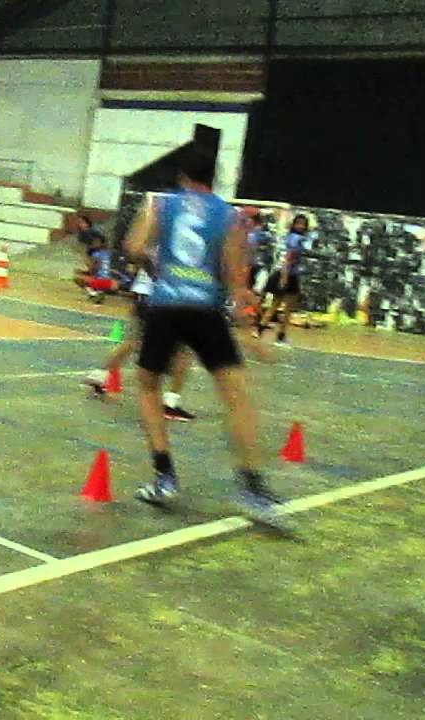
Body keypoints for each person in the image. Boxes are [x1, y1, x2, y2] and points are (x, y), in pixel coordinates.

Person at [122, 146, 288, 528]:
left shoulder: (161, 205)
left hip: (165, 306)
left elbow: (133, 247)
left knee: (148, 387)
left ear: (182, 175)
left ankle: (164, 477)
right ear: (215, 177)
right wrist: (249, 333)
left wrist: (156, 265)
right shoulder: (228, 216)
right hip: (205, 311)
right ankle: (252, 487)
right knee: (235, 395)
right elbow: (235, 278)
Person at [83, 261, 198, 422]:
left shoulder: (154, 240)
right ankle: (170, 404)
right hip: (163, 298)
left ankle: (99, 375)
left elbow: (141, 261)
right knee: (184, 351)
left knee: (134, 340)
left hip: (143, 296)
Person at [255, 214, 309, 346]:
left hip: (285, 274)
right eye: (298, 223)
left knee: (276, 304)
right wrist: (284, 278)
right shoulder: (297, 240)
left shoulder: (291, 237)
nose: (301, 226)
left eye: (303, 224)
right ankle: (281, 336)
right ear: (294, 225)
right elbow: (288, 259)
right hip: (289, 275)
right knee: (288, 308)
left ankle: (259, 330)